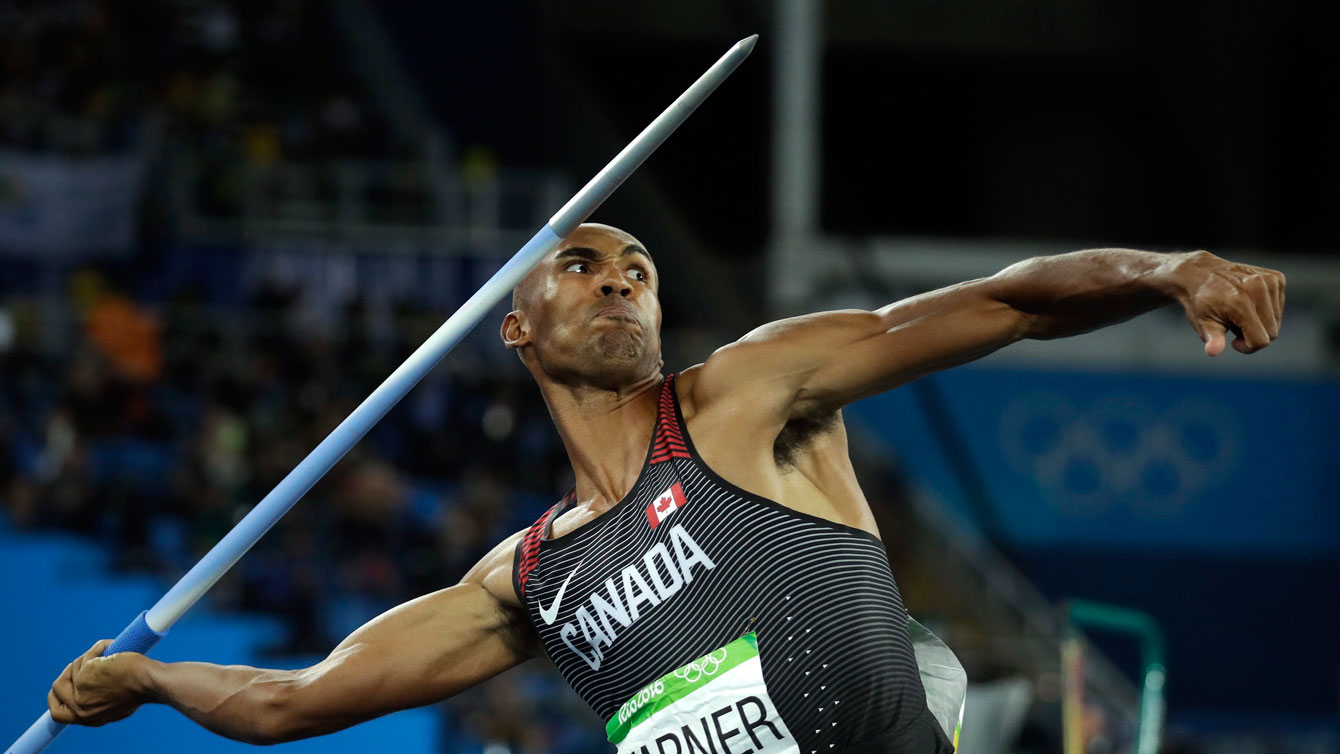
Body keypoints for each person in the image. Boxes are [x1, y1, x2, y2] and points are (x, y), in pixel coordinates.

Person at [47, 223, 1285, 752]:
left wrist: (1163, 266)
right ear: (515, 331)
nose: (619, 279)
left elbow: (1002, 305)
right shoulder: (530, 576)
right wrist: (148, 677)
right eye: (580, 266)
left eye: (636, 266)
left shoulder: (743, 396)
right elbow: (288, 702)